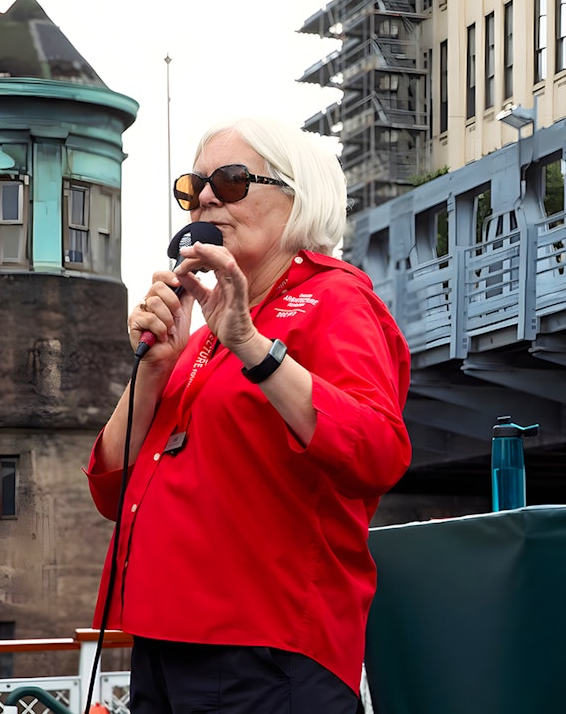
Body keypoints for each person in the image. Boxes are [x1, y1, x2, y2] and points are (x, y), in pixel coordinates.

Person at [84, 118, 412, 713]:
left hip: (263, 649)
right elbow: (113, 489)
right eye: (195, 187)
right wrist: (155, 369)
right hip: (166, 641)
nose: (206, 198)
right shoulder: (207, 334)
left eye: (231, 182)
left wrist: (253, 347)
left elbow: (378, 451)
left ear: (296, 196)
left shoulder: (334, 299)